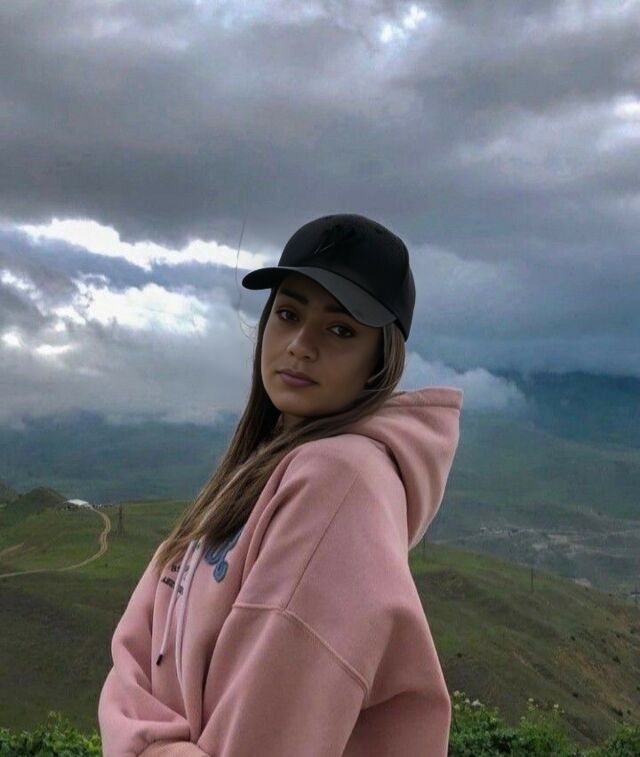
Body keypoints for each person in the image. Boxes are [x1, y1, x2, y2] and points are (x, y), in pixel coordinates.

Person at [98, 213, 463, 756]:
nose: (300, 345)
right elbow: (136, 647)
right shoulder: (260, 464)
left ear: (379, 362)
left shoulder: (337, 483)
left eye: (340, 330)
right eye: (289, 314)